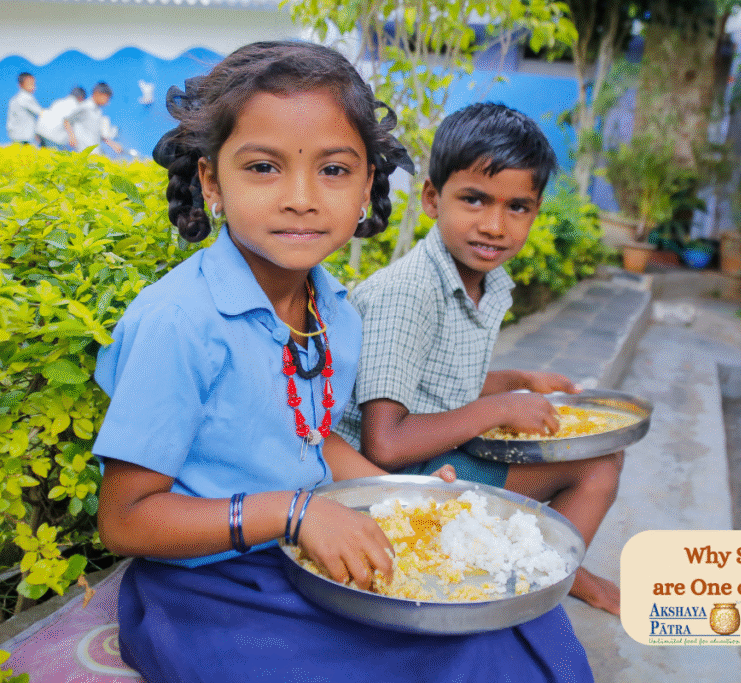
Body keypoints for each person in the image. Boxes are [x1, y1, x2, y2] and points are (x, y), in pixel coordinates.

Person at [93, 41, 593, 683]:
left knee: (516, 620)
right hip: (207, 589)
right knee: (452, 659)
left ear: (366, 189)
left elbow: (311, 436)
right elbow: (125, 520)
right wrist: (295, 513)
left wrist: (405, 499)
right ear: (211, 181)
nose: (302, 198)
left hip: (302, 548)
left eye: (333, 170)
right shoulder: (180, 323)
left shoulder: (334, 310)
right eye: (264, 167)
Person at [336, 102, 623, 616]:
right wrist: (499, 408)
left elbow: (439, 380)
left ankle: (533, 567)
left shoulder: (481, 282)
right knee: (597, 463)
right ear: (431, 198)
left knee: (582, 445)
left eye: (517, 207)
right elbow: (384, 443)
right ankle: (548, 575)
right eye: (474, 199)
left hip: (430, 451)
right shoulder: (409, 293)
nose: (494, 225)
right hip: (395, 478)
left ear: (536, 212)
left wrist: (519, 380)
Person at [63, 82, 122, 154]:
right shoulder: (86, 106)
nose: (107, 102)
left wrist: (113, 144)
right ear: (97, 94)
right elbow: (67, 120)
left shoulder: (98, 111)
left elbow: (99, 134)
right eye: (106, 98)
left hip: (94, 152)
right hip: (82, 151)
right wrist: (72, 137)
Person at [6, 72, 43, 145]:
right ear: (20, 85)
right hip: (23, 137)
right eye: (29, 84)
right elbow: (41, 112)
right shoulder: (25, 98)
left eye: (34, 84)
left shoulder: (16, 98)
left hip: (18, 135)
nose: (33, 86)